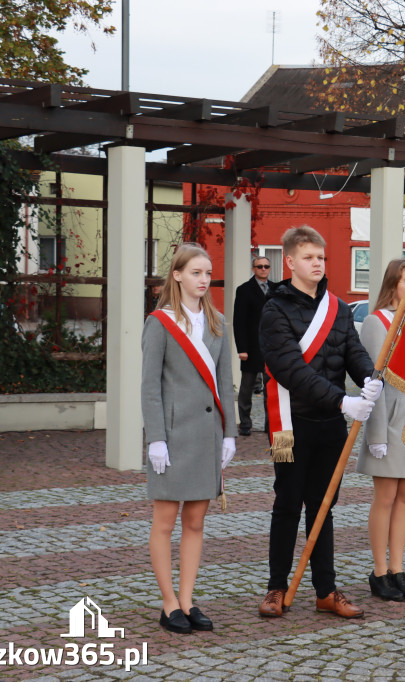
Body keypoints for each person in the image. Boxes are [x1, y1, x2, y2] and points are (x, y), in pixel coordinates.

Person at [257, 225, 382, 620]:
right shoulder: (273, 309)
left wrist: (368, 378)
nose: (317, 264)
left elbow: (353, 351)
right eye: (309, 257)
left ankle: (325, 591)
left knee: (323, 506)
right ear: (290, 262)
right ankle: (277, 588)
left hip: (330, 424)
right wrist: (344, 400)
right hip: (286, 427)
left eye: (321, 258)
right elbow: (291, 370)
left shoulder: (338, 308)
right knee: (287, 503)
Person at [141, 243, 237, 634]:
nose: (203, 279)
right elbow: (149, 387)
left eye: (207, 273)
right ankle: (168, 605)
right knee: (165, 521)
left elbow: (226, 385)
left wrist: (230, 433)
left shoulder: (218, 324)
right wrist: (155, 439)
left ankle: (187, 599)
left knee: (195, 521)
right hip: (173, 436)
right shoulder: (159, 323)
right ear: (177, 275)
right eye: (195, 272)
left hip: (207, 436)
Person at [356, 258, 405, 602]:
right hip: (390, 420)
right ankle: (379, 571)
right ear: (393, 284)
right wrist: (376, 435)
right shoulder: (375, 321)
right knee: (385, 498)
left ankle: (398, 568)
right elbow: (373, 382)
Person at [233, 255, 272, 436]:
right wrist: (242, 348)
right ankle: (246, 424)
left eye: (266, 266)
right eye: (259, 267)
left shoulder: (276, 289)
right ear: (253, 269)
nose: (263, 269)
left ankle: (269, 425)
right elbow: (239, 321)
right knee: (246, 388)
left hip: (271, 349)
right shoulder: (244, 290)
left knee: (270, 389)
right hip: (250, 347)